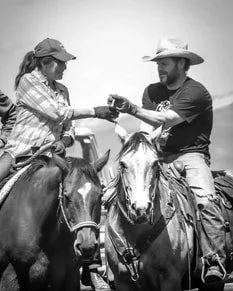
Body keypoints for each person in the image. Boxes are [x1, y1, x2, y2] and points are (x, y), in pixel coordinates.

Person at [107, 37, 226, 284]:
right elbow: (147, 126)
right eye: (158, 63)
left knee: (205, 198)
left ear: (182, 63)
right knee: (111, 193)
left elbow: (167, 119)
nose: (160, 68)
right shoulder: (152, 91)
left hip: (191, 155)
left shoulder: (196, 92)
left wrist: (130, 108)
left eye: (165, 63)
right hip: (158, 155)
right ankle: (107, 262)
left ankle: (213, 259)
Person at [0, 37, 115, 290]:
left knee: (81, 195)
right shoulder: (28, 82)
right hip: (21, 154)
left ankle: (91, 265)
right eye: (60, 63)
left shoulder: (63, 90)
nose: (64, 68)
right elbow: (57, 113)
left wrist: (64, 139)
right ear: (45, 62)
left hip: (52, 157)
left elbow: (68, 127)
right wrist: (97, 111)